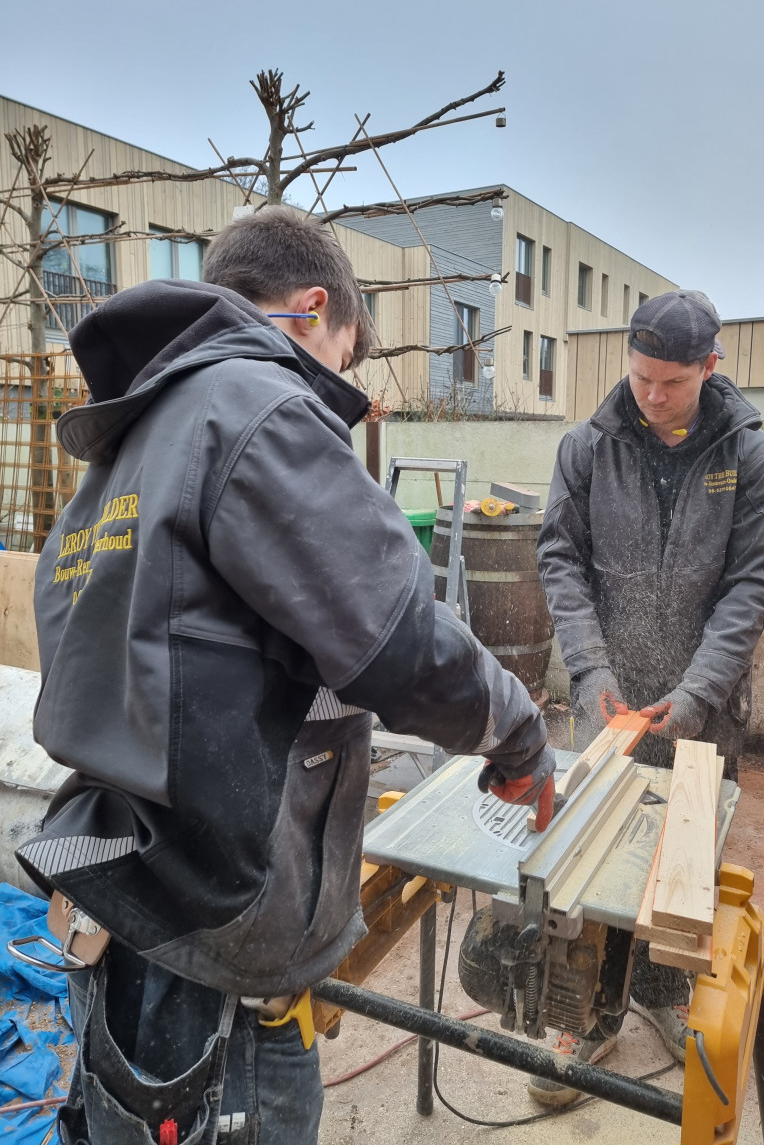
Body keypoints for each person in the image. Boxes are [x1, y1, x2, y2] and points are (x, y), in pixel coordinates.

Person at [17, 207, 556, 1145]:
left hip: (132, 891)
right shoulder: (256, 405)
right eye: (345, 355)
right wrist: (517, 732)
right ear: (313, 308)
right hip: (221, 926)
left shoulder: (133, 434)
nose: (338, 383)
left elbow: (146, 643)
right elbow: (400, 637)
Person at [531, 289, 764, 1104]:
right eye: (641, 377)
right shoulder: (587, 447)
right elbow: (560, 561)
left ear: (710, 366)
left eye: (672, 382)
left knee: (686, 850)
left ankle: (667, 990)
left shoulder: (751, 457)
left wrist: (700, 689)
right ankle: (592, 1008)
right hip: (610, 694)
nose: (652, 395)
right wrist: (589, 670)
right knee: (598, 850)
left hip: (705, 699)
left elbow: (750, 585)